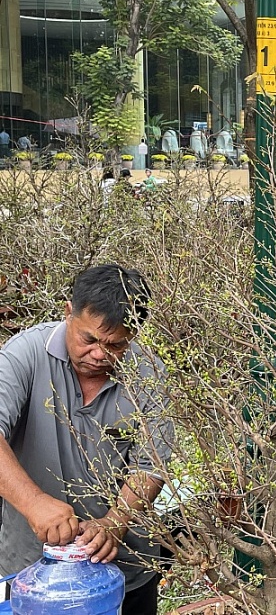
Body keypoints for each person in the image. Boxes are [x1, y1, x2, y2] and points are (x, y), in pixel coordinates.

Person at [0, 264, 172, 615]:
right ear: (69, 312)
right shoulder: (26, 353)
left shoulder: (149, 374)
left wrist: (115, 522)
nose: (99, 354)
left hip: (125, 574)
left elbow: (151, 465)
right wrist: (34, 503)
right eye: (89, 339)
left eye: (116, 345)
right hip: (30, 571)